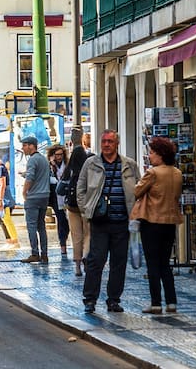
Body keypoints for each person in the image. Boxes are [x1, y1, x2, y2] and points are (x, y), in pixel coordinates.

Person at [74, 129, 140, 314]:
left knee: (119, 263)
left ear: (117, 143)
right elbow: (81, 189)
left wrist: (134, 213)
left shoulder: (129, 165)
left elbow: (139, 189)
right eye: (104, 141)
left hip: (122, 222)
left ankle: (113, 300)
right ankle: (90, 299)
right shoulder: (91, 164)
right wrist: (86, 210)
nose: (106, 145)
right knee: (96, 261)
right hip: (100, 222)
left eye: (110, 141)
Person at [134, 136, 184, 314]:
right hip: (170, 222)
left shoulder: (153, 173)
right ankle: (172, 302)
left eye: (152, 153)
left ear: (161, 155)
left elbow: (137, 191)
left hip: (152, 222)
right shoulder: (177, 173)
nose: (150, 156)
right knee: (165, 263)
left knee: (153, 263)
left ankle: (156, 303)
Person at [18, 136, 51, 263]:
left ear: (32, 146)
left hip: (34, 196)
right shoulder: (43, 159)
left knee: (31, 226)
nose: (23, 148)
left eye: (25, 145)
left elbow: (31, 178)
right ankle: (45, 254)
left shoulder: (32, 160)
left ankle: (34, 253)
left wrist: (24, 191)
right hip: (44, 196)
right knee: (41, 226)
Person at [62, 140, 91, 275]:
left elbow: (59, 189)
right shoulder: (88, 168)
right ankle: (86, 255)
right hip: (86, 206)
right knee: (88, 234)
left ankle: (77, 267)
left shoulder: (69, 170)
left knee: (76, 236)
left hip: (72, 207)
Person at [47, 145, 72, 261]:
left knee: (67, 222)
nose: (59, 157)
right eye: (57, 155)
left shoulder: (67, 165)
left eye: (61, 154)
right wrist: (52, 166)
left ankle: (65, 240)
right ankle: (63, 245)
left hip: (67, 196)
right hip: (56, 198)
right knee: (61, 220)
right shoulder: (50, 166)